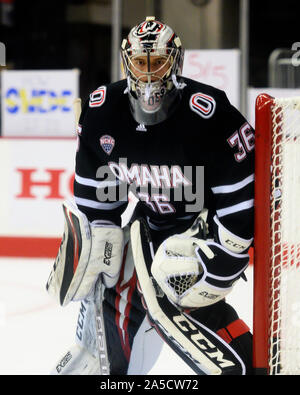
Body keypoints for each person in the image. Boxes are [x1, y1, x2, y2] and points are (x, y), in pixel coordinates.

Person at [46, 16, 255, 375]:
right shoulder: (103, 112)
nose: (148, 74)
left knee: (229, 359)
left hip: (197, 239)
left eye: (157, 63)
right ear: (127, 63)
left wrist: (226, 252)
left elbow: (239, 192)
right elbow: (100, 196)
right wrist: (100, 237)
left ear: (175, 62)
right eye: (140, 63)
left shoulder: (208, 114)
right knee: (100, 359)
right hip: (145, 234)